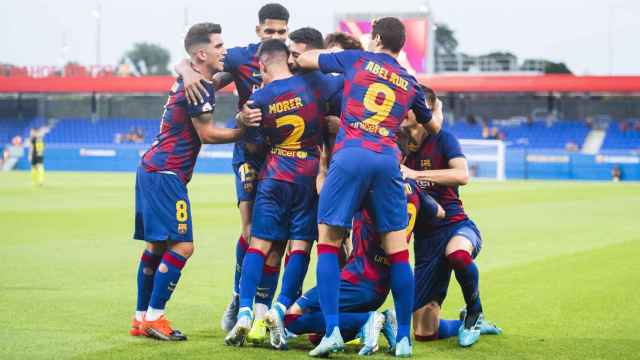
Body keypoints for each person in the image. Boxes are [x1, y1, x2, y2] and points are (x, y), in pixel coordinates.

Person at [296, 17, 442, 357]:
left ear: (375, 39)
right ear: (401, 46)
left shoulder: (357, 59)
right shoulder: (409, 81)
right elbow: (432, 125)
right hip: (387, 161)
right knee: (398, 251)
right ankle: (404, 338)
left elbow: (306, 60)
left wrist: (301, 56)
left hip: (351, 155)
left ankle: (332, 330)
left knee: (329, 242)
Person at [177, 3, 291, 337]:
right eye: (269, 31)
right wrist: (185, 71)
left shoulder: (293, 62)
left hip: (283, 157)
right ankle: (239, 295)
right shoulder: (240, 58)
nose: (275, 36)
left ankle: (262, 308)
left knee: (277, 239)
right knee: (250, 231)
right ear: (258, 31)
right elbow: (199, 65)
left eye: (281, 32)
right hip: (250, 155)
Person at [131, 22, 246, 341]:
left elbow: (217, 76)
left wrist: (187, 67)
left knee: (156, 245)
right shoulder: (196, 87)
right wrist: (246, 131)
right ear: (202, 53)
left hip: (152, 167)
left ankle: (141, 317)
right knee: (182, 245)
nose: (224, 50)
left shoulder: (193, 77)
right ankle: (155, 317)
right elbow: (207, 134)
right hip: (166, 173)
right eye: (219, 46)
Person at [225, 39, 341, 348]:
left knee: (259, 244)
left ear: (262, 65)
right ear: (288, 60)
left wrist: (242, 121)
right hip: (309, 176)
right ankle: (278, 308)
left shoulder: (258, 99)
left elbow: (250, 145)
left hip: (274, 175)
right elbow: (341, 88)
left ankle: (246, 310)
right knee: (300, 247)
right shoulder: (314, 83)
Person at [400, 94, 501, 347]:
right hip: (426, 241)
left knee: (457, 254)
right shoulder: (395, 143)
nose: (405, 109)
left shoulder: (443, 139)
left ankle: (475, 311)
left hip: (457, 226)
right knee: (425, 333)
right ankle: (465, 322)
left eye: (413, 107)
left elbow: (462, 174)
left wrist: (415, 174)